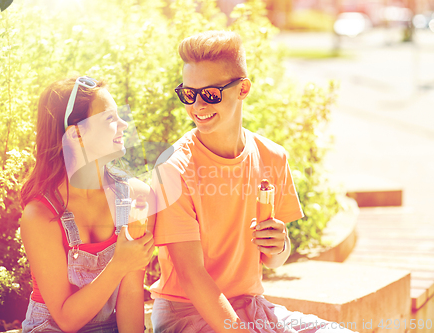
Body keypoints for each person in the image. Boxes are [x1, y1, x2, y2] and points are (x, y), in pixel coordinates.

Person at [149, 31, 358, 333]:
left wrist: (278, 244)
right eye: (188, 94)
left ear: (243, 89)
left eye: (210, 94)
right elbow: (192, 278)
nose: (197, 106)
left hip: (252, 307)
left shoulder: (272, 157)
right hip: (187, 315)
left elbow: (275, 260)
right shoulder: (173, 169)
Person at [20, 76, 155, 333]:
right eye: (109, 118)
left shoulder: (137, 196)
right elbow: (66, 320)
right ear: (77, 134)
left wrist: (126, 265)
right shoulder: (40, 216)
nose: (124, 124)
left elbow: (130, 295)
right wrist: (119, 264)